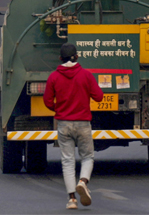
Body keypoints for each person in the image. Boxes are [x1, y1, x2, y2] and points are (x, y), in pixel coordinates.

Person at [43, 43, 104, 210]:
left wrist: (59, 109)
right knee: (87, 157)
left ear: (60, 58)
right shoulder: (86, 75)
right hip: (83, 123)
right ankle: (83, 181)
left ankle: (72, 200)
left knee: (67, 161)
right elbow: (99, 97)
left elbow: (47, 100)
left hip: (63, 124)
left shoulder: (54, 77)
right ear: (76, 57)